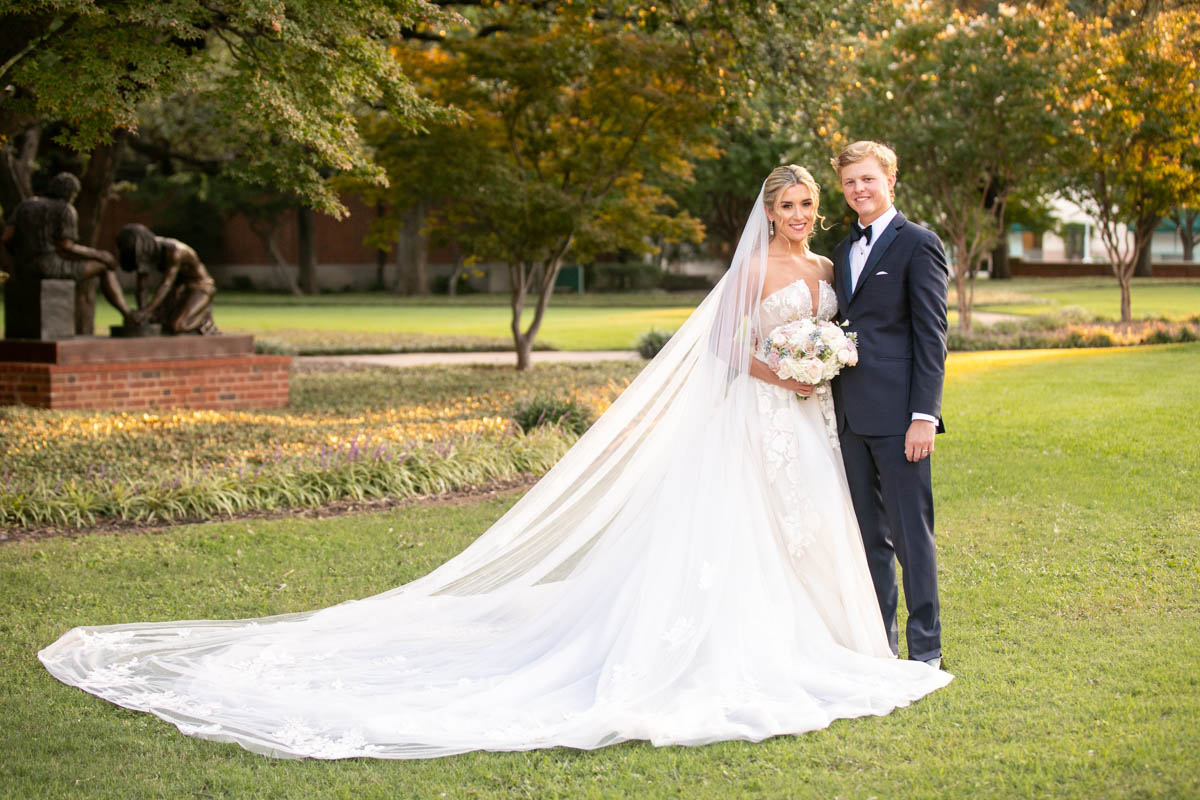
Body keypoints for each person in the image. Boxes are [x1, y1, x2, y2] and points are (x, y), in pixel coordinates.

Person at [39, 166, 951, 761]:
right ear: (767, 214)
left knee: (817, 528)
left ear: (819, 211)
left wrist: (819, 368)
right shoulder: (749, 277)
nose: (797, 216)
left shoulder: (832, 270)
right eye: (784, 206)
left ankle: (837, 637)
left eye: (806, 205)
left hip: (812, 426)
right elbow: (721, 351)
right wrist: (780, 372)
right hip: (760, 416)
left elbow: (847, 339)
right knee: (747, 528)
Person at [829, 141, 950, 669]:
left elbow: (932, 335)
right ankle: (882, 642)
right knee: (866, 536)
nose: (859, 189)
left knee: (910, 536)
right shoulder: (841, 252)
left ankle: (925, 649)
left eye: (868, 179)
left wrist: (924, 416)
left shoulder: (918, 244)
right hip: (848, 416)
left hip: (901, 418)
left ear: (889, 180)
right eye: (851, 182)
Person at [1, 172, 135, 322]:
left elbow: (6, 237)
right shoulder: (65, 209)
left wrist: (19, 255)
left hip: (23, 267)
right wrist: (100, 255)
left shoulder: (25, 205)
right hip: (50, 267)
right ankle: (127, 314)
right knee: (104, 267)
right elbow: (66, 247)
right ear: (71, 193)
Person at [116, 223, 218, 335]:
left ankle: (205, 324)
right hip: (178, 287)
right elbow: (142, 287)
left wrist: (147, 311)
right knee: (157, 321)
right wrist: (142, 313)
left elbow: (166, 284)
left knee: (178, 325)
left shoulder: (174, 252)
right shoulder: (146, 253)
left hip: (200, 287)